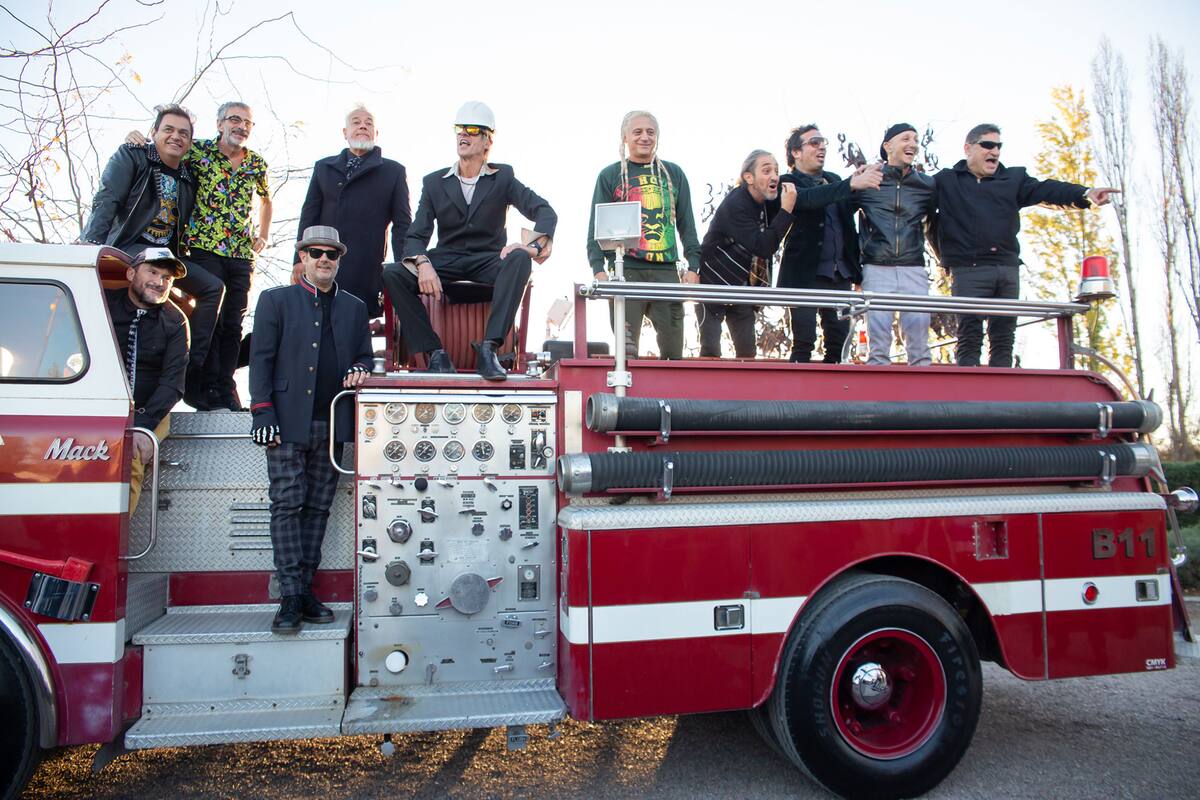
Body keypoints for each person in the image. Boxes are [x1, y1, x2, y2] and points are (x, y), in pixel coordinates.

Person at [249, 226, 372, 633]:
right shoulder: (275, 301)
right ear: (302, 257)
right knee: (286, 504)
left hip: (334, 423)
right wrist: (262, 412)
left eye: (331, 254)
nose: (323, 259)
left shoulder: (355, 308)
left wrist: (360, 368)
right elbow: (261, 361)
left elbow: (364, 357)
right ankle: (289, 595)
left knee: (318, 508)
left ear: (338, 260)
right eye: (315, 252)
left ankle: (304, 590)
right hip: (286, 422)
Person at [381, 101, 556, 381]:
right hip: (446, 260)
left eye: (473, 130)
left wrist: (531, 247)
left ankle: (489, 349)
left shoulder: (503, 178)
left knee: (520, 259)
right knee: (392, 273)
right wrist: (423, 263)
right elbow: (416, 235)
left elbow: (545, 211)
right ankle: (435, 354)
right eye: (460, 129)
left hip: (488, 260)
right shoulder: (434, 182)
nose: (464, 134)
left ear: (487, 141)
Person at [932, 123, 1117, 367]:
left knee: (1003, 337)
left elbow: (1048, 190)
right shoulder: (946, 181)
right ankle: (968, 387)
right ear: (968, 148)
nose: (995, 151)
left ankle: (1002, 387)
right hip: (968, 269)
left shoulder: (1013, 178)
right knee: (969, 334)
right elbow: (914, 200)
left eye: (998, 146)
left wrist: (1084, 194)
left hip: (1006, 269)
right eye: (987, 145)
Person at [84, 104, 223, 402]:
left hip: (167, 256)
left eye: (183, 133)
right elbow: (108, 198)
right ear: (153, 132)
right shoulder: (133, 155)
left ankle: (190, 372)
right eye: (168, 130)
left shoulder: (189, 175)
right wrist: (91, 244)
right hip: (131, 244)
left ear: (190, 142)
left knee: (213, 288)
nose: (176, 137)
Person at [586, 110, 703, 360]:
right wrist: (598, 269)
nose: (645, 137)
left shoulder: (674, 173)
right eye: (637, 132)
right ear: (625, 137)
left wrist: (693, 266)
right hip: (625, 269)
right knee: (626, 353)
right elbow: (596, 228)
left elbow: (687, 225)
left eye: (650, 132)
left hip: (666, 271)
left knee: (673, 352)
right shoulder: (610, 175)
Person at [779, 124, 883, 363]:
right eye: (814, 143)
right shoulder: (788, 181)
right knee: (804, 342)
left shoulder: (834, 180)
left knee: (839, 344)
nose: (822, 147)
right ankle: (797, 387)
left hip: (840, 275)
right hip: (803, 275)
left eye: (823, 142)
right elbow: (807, 200)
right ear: (796, 152)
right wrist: (850, 184)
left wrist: (863, 176)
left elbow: (852, 212)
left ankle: (835, 388)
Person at [297, 103, 411, 318]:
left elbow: (402, 225)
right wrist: (298, 259)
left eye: (369, 123)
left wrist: (403, 268)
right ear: (345, 132)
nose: (363, 126)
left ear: (376, 133)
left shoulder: (393, 171)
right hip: (322, 262)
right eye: (356, 122)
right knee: (315, 321)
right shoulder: (324, 168)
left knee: (356, 321)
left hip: (365, 267)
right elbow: (309, 216)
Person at [103, 248, 189, 515]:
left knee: (129, 459)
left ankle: (114, 534)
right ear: (131, 274)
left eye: (167, 278)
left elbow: (173, 383)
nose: (159, 282)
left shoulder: (176, 321)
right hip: (100, 401)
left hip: (150, 407)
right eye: (152, 272)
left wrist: (143, 426)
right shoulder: (102, 303)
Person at [697, 149, 796, 358]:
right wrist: (786, 211)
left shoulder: (765, 202)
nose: (774, 176)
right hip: (712, 282)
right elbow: (763, 246)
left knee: (747, 353)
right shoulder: (736, 203)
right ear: (749, 177)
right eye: (766, 170)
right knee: (710, 351)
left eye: (776, 171)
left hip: (742, 285)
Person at [855, 123, 935, 366]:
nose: (913, 144)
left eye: (916, 140)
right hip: (876, 266)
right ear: (888, 146)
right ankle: (877, 389)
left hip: (913, 267)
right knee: (878, 346)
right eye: (906, 139)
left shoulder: (927, 185)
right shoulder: (869, 180)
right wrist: (854, 269)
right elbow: (844, 220)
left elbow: (938, 223)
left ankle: (923, 388)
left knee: (919, 345)